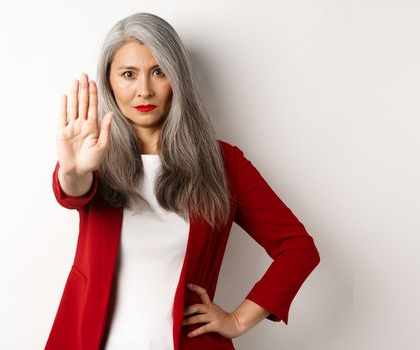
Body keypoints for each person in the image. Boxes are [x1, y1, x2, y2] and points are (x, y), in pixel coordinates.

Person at [45, 12, 320, 350]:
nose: (144, 90)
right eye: (128, 74)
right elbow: (73, 192)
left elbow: (297, 249)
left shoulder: (223, 164)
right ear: (110, 81)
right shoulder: (93, 158)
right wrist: (72, 171)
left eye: (159, 71)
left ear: (177, 78)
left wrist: (237, 319)